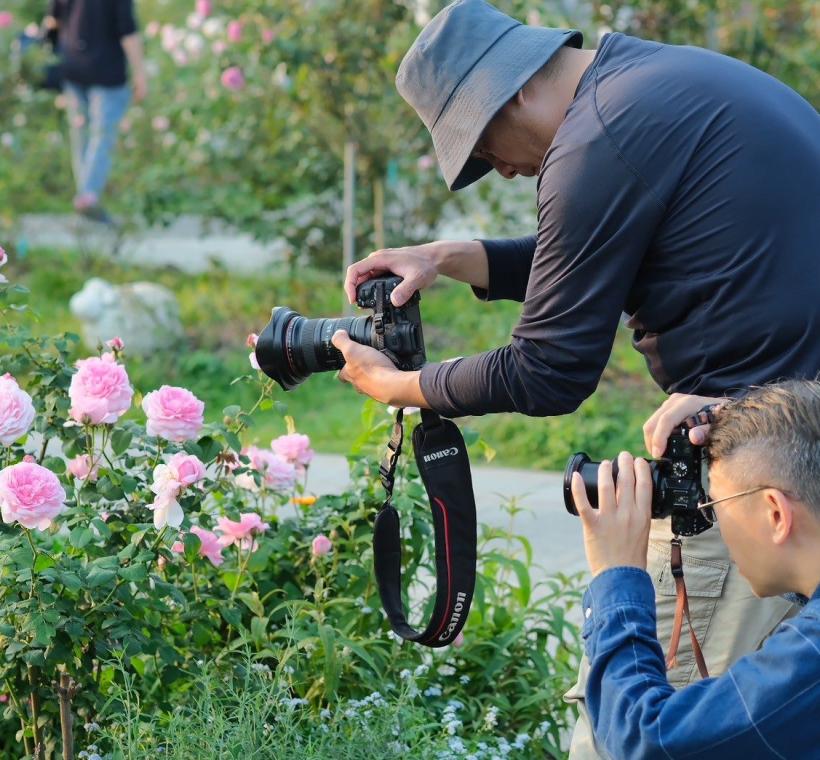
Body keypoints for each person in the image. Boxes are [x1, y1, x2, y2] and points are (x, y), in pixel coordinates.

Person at [329, 1, 820, 756]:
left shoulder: (599, 140)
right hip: (802, 440)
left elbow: (549, 369)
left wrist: (404, 387)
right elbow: (595, 248)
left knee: (632, 737)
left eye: (484, 146)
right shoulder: (655, 84)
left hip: (754, 483)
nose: (501, 168)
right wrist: (459, 257)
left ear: (514, 89)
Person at [571, 380, 820, 758]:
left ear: (775, 513)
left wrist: (617, 575)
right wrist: (761, 419)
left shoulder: (810, 656)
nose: (712, 519)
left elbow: (648, 741)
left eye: (715, 505)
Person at [44, 0, 146, 224]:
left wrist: (52, 55)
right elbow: (127, 30)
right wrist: (140, 73)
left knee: (81, 134)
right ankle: (88, 197)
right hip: (106, 70)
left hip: (73, 66)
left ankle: (86, 195)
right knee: (102, 135)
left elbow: (53, 21)